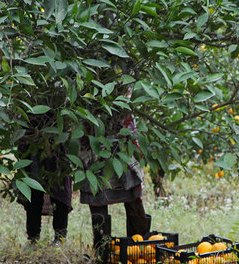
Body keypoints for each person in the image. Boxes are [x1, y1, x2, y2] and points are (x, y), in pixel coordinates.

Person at [79, 109, 151, 254]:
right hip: (93, 129)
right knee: (97, 190)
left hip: (121, 134)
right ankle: (103, 251)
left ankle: (139, 247)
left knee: (132, 191)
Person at [15, 114, 72, 244]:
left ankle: (60, 236)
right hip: (30, 140)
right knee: (32, 190)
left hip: (56, 139)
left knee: (59, 189)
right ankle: (33, 237)